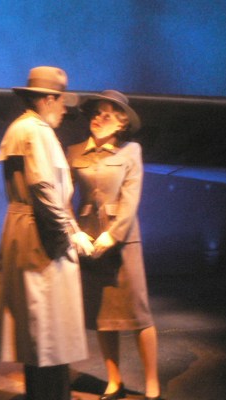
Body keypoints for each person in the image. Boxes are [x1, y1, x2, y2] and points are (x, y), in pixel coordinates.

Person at [0, 66, 94, 400]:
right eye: (62, 101)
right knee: (49, 330)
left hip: (28, 229)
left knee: (39, 333)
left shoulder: (22, 128)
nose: (65, 110)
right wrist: (69, 233)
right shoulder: (35, 131)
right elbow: (43, 188)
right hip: (41, 236)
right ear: (49, 99)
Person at [67, 90, 162, 400]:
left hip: (122, 244)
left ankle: (152, 383)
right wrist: (74, 232)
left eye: (107, 114)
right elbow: (64, 198)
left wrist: (114, 234)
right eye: (96, 112)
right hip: (89, 244)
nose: (98, 118)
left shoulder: (130, 152)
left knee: (138, 314)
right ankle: (114, 381)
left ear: (121, 123)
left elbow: (131, 199)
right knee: (103, 316)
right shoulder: (74, 152)